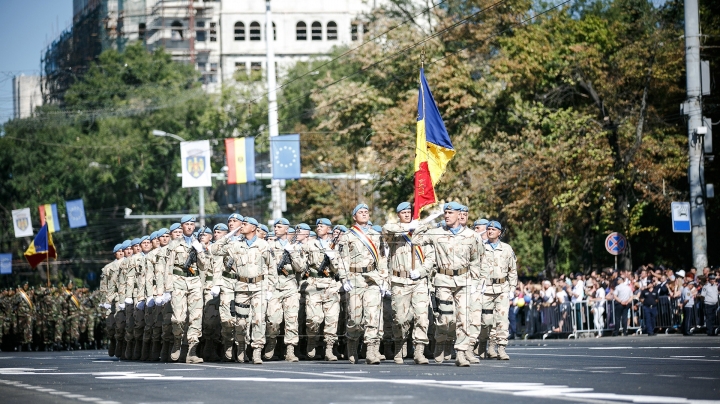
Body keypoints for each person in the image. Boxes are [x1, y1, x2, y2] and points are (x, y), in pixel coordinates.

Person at [412, 202, 482, 367]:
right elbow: (415, 239)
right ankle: (440, 340)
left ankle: (461, 353)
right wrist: (427, 220)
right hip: (443, 280)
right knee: (446, 319)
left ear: (459, 215)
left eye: (450, 213)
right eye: (445, 213)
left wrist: (475, 282)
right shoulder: (436, 233)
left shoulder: (472, 236)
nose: (447, 215)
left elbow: (476, 260)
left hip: (464, 281)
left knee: (464, 318)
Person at [211, 217, 276, 364]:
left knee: (259, 320)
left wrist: (270, 288)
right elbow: (214, 250)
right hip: (241, 287)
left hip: (259, 286)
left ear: (253, 228)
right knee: (241, 322)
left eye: (245, 224)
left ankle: (257, 351)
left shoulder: (263, 245)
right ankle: (241, 347)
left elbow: (272, 268)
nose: (242, 226)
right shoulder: (235, 245)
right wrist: (229, 234)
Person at [337, 203, 390, 364]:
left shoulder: (376, 235)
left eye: (366, 211)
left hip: (372, 278)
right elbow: (342, 259)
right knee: (355, 317)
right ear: (354, 216)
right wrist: (344, 278)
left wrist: (383, 280)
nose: (364, 214)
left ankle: (371, 351)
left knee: (373, 316)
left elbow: (382, 259)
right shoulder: (347, 236)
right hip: (354, 277)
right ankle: (352, 343)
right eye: (361, 212)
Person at [382, 202, 432, 365]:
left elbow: (431, 257)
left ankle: (419, 351)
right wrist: (408, 228)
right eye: (403, 212)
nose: (407, 214)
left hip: (418, 281)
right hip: (399, 281)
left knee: (421, 317)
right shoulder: (394, 232)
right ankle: (399, 344)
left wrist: (422, 271)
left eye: (409, 212)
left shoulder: (422, 233)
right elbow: (385, 229)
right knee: (400, 319)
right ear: (398, 214)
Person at [164, 215, 209, 363]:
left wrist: (200, 250)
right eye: (186, 224)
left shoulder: (198, 244)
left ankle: (192, 351)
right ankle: (177, 340)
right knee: (178, 318)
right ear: (181, 226)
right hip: (178, 281)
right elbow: (168, 266)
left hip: (194, 281)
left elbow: (204, 266)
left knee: (196, 317)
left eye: (192, 224)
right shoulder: (174, 244)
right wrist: (167, 288)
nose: (189, 227)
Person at [301, 218, 343, 361]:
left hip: (331, 284)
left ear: (329, 229)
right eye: (317, 225)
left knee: (332, 319)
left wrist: (333, 258)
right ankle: (312, 339)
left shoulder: (336, 245)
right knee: (313, 319)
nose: (319, 227)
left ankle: (329, 349)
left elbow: (338, 268)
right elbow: (301, 265)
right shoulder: (309, 244)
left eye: (322, 225)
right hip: (313, 284)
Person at [265, 219, 304, 362]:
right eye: (275, 226)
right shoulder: (269, 246)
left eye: (279, 226)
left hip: (290, 286)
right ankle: (271, 343)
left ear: (286, 229)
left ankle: (290, 350)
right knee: (273, 320)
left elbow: (300, 268)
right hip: (274, 286)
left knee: (291, 319)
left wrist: (292, 252)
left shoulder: (295, 247)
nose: (276, 228)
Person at [478, 220, 517, 361]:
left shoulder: (507, 249)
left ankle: (500, 348)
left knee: (502, 320)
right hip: (486, 289)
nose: (490, 231)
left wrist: (512, 288)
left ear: (499, 233)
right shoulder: (481, 247)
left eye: (493, 229)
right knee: (486, 321)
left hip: (502, 289)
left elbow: (512, 270)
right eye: (488, 229)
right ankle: (483, 344)